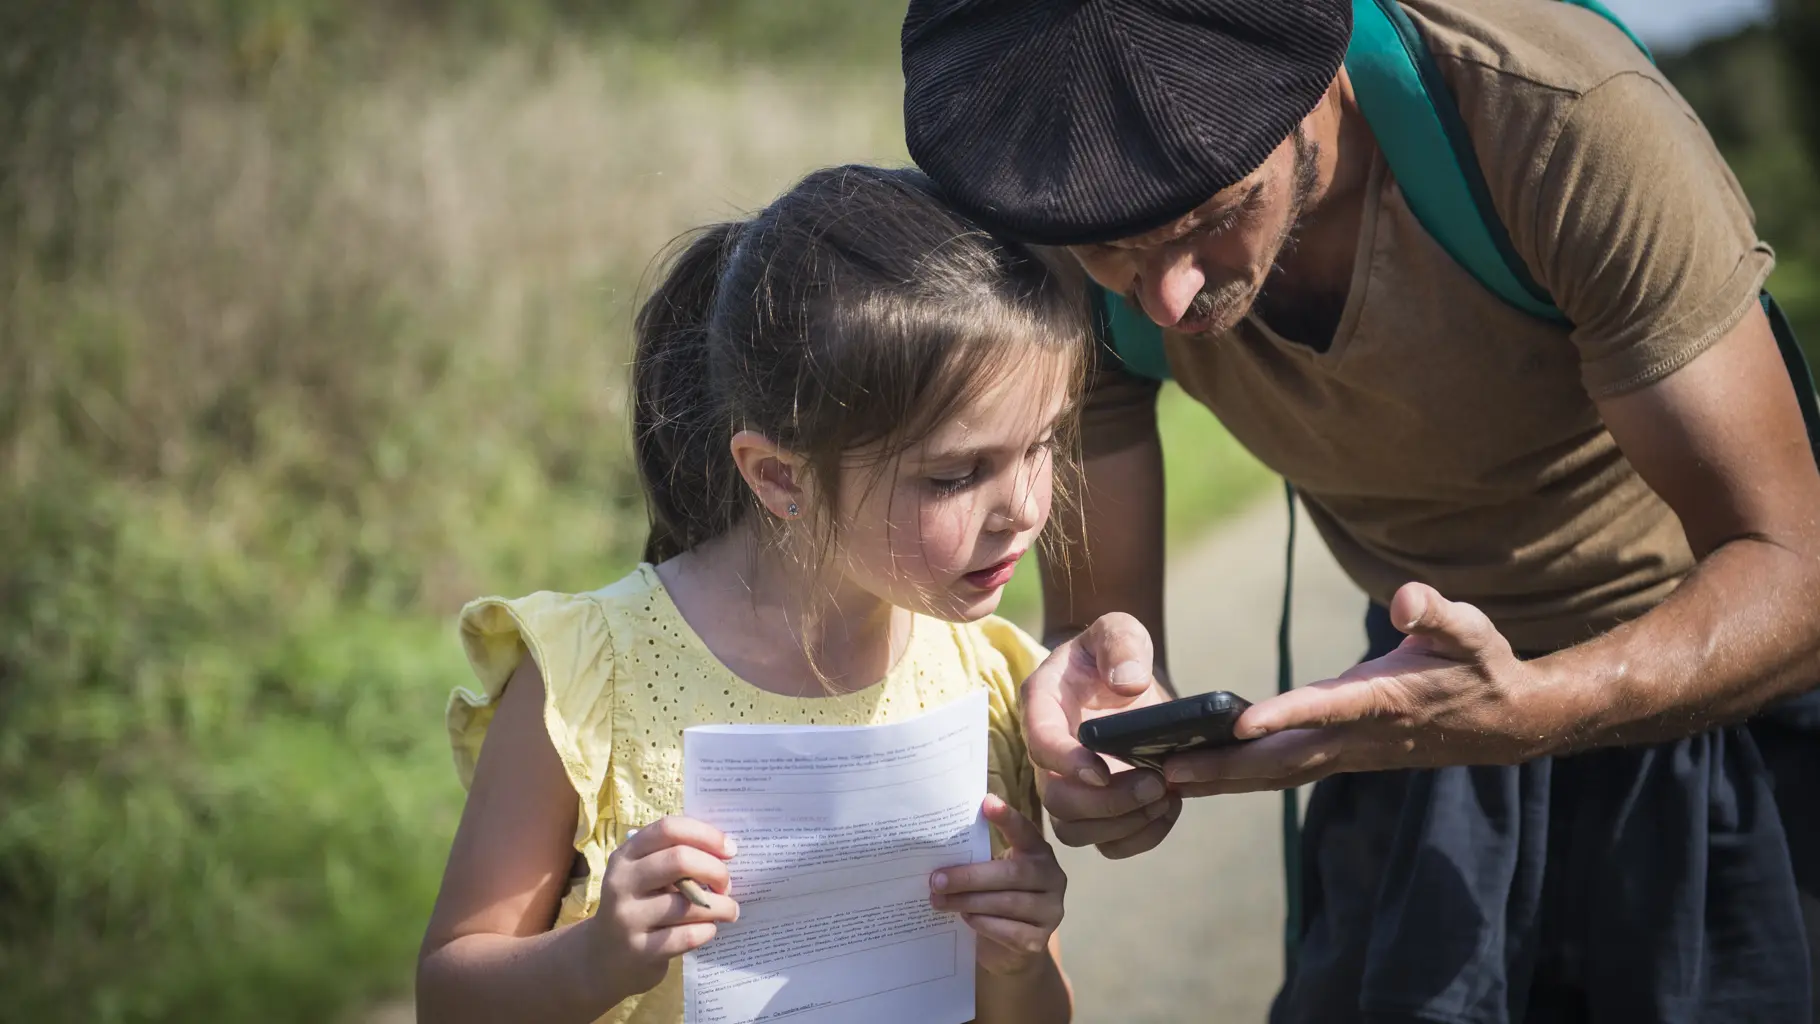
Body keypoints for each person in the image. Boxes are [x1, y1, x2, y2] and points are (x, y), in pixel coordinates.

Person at [900, 0, 1820, 1021]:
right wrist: (1093, 719)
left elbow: (1795, 574)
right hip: (1415, 711)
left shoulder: (1554, 122)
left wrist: (1528, 712)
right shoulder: (1053, 210)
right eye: (1110, 252)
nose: (1163, 300)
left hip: (1712, 718)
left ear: (1325, 69)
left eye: (1212, 216)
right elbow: (1099, 628)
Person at [414, 165, 1089, 1024]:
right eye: (957, 474)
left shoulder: (989, 682)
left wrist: (1019, 961)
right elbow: (449, 994)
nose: (1024, 508)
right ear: (779, 476)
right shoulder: (590, 678)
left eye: (1042, 444)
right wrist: (597, 954)